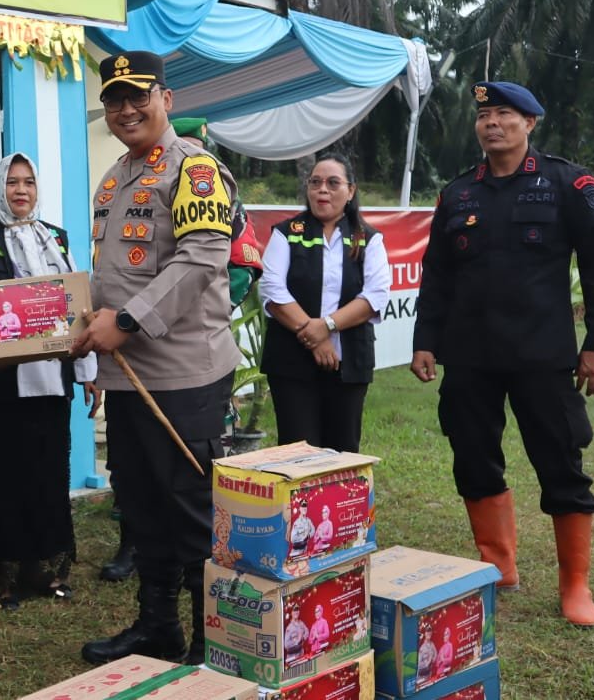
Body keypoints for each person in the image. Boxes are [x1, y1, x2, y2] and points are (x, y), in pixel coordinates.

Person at [411, 81, 594, 627]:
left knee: (561, 462)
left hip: (542, 355)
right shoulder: (458, 194)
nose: (492, 123)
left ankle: (575, 585)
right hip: (469, 355)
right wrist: (425, 340)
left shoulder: (569, 184)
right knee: (473, 456)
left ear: (530, 123)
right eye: (485, 116)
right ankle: (498, 565)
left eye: (504, 114)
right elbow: (437, 274)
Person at [73, 51, 241, 667]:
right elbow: (111, 275)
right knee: (141, 505)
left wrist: (123, 322)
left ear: (166, 100)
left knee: (189, 509)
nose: (126, 110)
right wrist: (79, 322)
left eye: (137, 96)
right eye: (114, 100)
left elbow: (201, 260)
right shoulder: (113, 177)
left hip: (184, 374)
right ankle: (157, 627)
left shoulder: (195, 169)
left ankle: (210, 641)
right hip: (128, 376)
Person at [0, 152, 101, 610]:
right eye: (12, 182)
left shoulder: (54, 238)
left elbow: (78, 306)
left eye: (29, 182)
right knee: (0, 474)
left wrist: (88, 373)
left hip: (52, 380)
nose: (21, 190)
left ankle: (41, 566)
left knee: (46, 473)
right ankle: (1, 574)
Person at [259, 152, 391, 452]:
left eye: (333, 183)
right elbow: (272, 290)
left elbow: (375, 295)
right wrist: (316, 337)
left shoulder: (368, 238)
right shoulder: (286, 233)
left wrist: (327, 326)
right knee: (297, 452)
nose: (322, 190)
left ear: (351, 191)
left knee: (343, 452)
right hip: (291, 363)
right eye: (315, 182)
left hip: (349, 364)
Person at [171, 116, 263, 308]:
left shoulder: (229, 201)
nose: (190, 158)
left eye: (198, 151)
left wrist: (215, 309)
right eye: (182, 150)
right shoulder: (146, 194)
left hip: (206, 313)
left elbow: (243, 266)